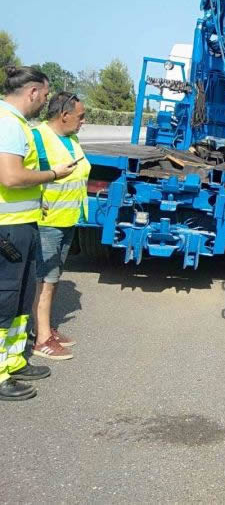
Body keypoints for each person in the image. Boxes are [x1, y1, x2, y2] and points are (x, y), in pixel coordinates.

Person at [0, 66, 76, 401]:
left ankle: (13, 361)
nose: (44, 101)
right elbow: (12, 178)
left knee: (17, 301)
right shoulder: (8, 124)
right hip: (8, 228)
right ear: (32, 91)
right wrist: (52, 174)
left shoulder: (16, 124)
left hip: (22, 224)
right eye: (44, 95)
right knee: (4, 301)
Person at [30, 92, 90, 360]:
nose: (83, 121)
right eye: (80, 116)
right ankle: (41, 339)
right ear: (64, 115)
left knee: (52, 279)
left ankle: (44, 330)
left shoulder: (70, 139)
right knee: (46, 280)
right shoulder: (38, 138)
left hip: (66, 219)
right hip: (47, 221)